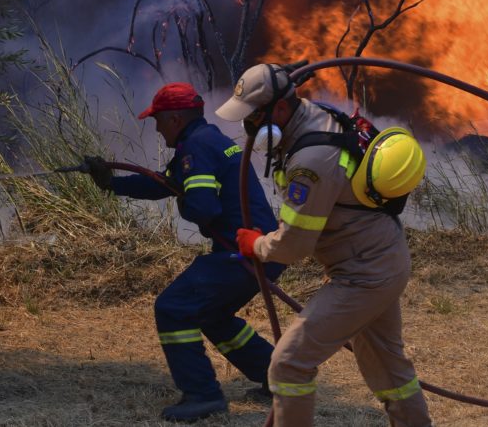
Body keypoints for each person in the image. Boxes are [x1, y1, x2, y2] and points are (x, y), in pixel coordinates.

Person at [216, 63, 433, 426]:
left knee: (288, 364)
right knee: (389, 369)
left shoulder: (312, 160)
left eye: (253, 117)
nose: (248, 127)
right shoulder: (312, 119)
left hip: (365, 273)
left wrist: (257, 245)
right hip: (379, 261)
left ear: (280, 109)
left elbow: (295, 245)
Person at [84, 82, 285, 422]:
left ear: (175, 118)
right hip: (258, 250)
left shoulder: (196, 149)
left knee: (174, 307)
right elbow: (161, 183)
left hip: (241, 253)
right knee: (212, 315)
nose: (157, 128)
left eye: (158, 120)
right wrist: (110, 183)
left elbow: (203, 208)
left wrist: (185, 200)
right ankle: (277, 378)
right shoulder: (209, 141)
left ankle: (203, 395)